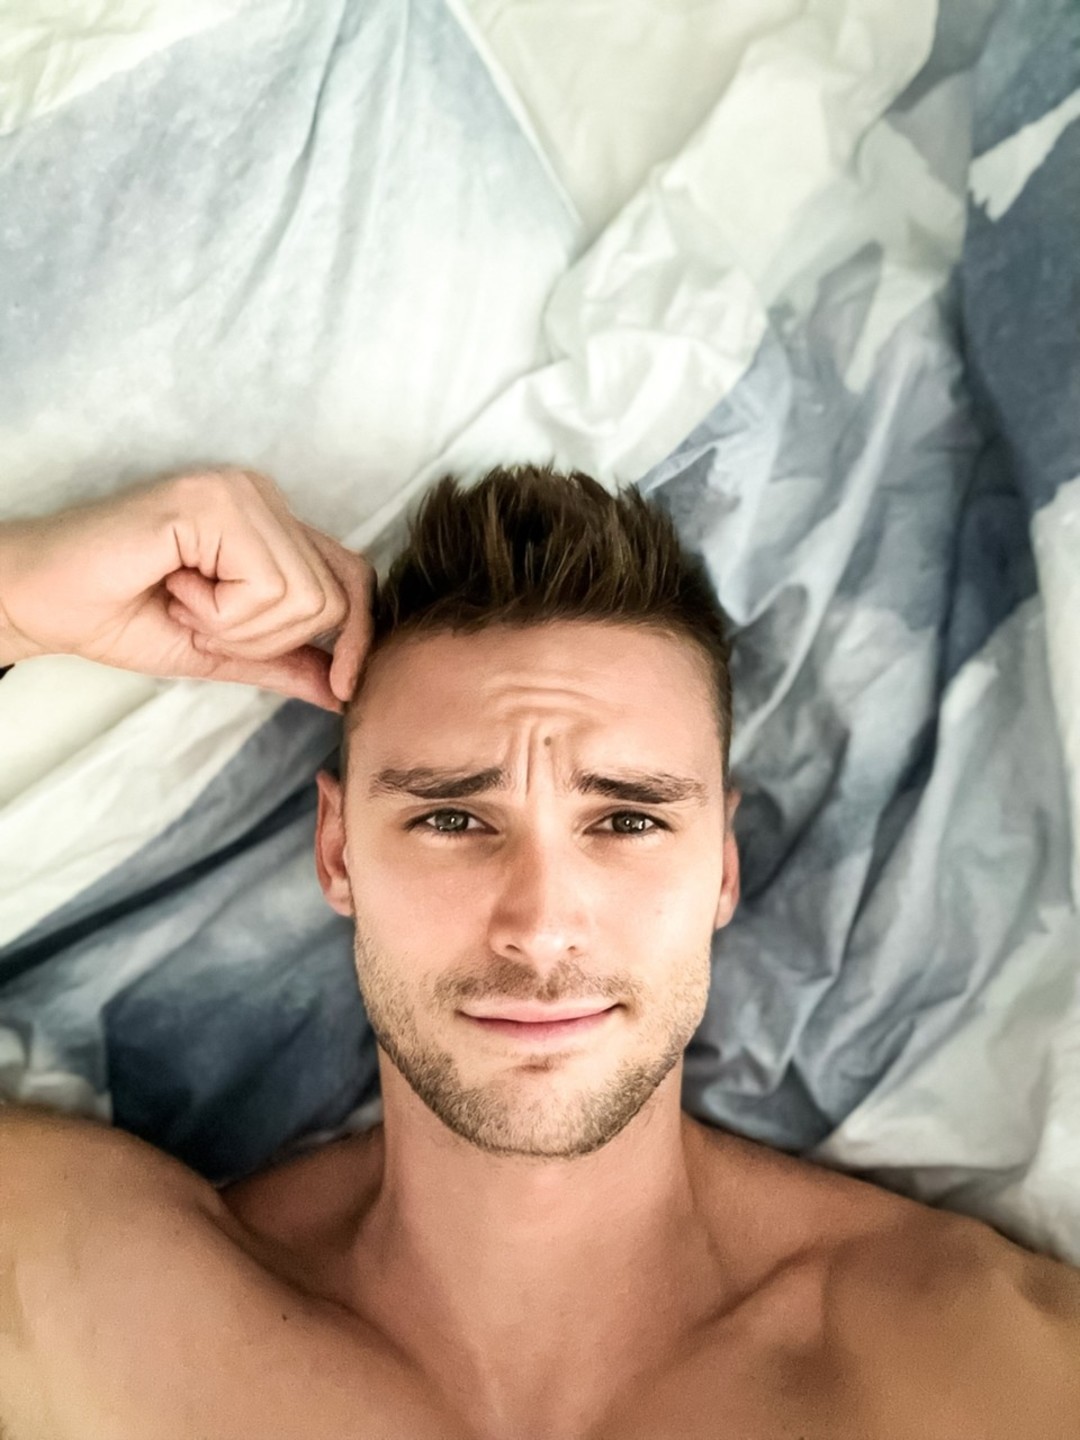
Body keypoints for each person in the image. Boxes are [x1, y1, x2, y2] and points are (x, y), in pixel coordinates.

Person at [0, 465, 1078, 1440]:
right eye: (452, 819)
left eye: (628, 820)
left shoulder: (973, 1365)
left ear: (721, 867)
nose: (541, 924)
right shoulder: (125, 1308)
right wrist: (14, 599)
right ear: (338, 852)